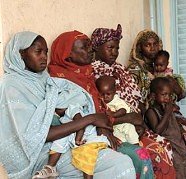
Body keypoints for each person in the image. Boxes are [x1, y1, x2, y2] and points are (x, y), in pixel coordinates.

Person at [0, 31, 136, 179]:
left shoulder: (43, 79)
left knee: (116, 160)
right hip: (40, 155)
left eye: (46, 52)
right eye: (38, 52)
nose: (44, 57)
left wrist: (90, 120)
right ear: (20, 54)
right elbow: (36, 136)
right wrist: (90, 119)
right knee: (120, 164)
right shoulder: (11, 86)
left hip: (65, 143)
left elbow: (70, 104)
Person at [48, 30, 154, 179]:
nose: (90, 50)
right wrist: (104, 125)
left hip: (104, 129)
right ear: (67, 54)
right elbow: (70, 114)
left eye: (89, 45)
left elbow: (102, 107)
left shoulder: (86, 75)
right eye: (84, 47)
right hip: (82, 139)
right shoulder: (59, 81)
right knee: (139, 156)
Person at [91, 26, 177, 179]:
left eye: (117, 48)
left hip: (136, 124)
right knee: (156, 150)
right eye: (110, 48)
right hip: (117, 127)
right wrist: (132, 119)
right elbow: (101, 109)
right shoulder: (94, 72)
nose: (114, 52)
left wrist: (141, 123)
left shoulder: (121, 69)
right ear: (97, 47)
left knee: (164, 145)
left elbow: (137, 100)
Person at [33, 84, 110, 179]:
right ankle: (50, 168)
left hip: (87, 137)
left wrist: (78, 140)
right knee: (58, 142)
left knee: (86, 157)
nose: (56, 111)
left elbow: (80, 123)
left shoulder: (72, 107)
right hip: (73, 135)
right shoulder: (64, 115)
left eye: (58, 108)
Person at [144, 77, 186, 179]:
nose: (167, 98)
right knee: (179, 169)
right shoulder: (151, 112)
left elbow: (174, 124)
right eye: (164, 94)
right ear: (153, 96)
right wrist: (167, 113)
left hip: (179, 144)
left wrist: (182, 131)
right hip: (170, 148)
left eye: (169, 95)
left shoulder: (167, 108)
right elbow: (157, 131)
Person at [95, 75, 141, 145]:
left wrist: (112, 114)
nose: (105, 97)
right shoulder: (100, 101)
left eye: (108, 94)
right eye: (102, 94)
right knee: (120, 138)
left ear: (114, 91)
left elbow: (123, 110)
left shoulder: (116, 100)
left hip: (124, 123)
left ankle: (136, 145)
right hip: (114, 127)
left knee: (129, 130)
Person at [127, 29, 163, 101]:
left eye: (155, 44)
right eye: (147, 45)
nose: (152, 48)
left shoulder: (158, 67)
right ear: (140, 48)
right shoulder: (134, 69)